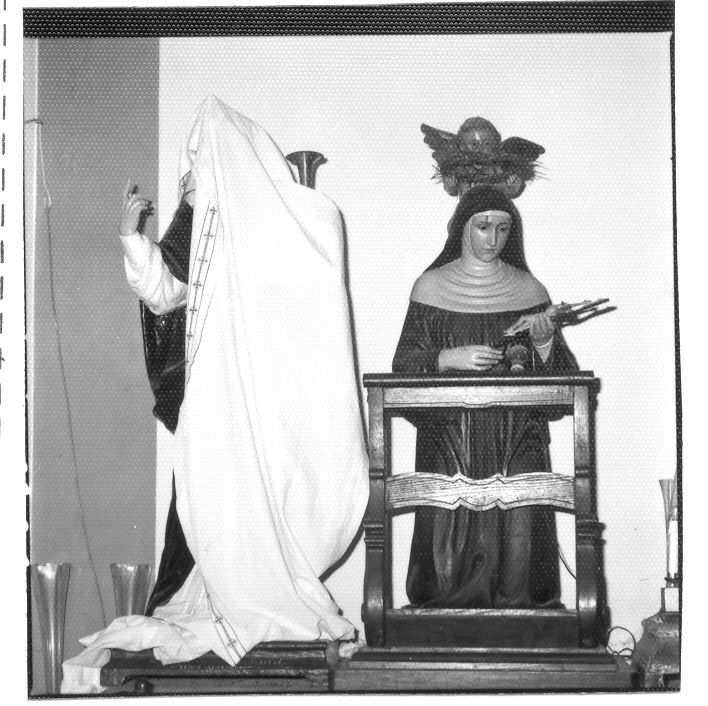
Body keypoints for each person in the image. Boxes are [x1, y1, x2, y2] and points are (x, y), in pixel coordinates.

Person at [108, 97, 369, 670]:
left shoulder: (291, 220)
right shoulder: (199, 223)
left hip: (268, 399)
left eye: (200, 159)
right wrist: (132, 239)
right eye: (189, 161)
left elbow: (313, 306)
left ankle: (269, 604)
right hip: (213, 397)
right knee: (203, 502)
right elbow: (165, 292)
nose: (189, 173)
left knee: (272, 501)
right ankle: (206, 601)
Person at [392, 184, 577, 609]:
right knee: (448, 535)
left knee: (520, 533)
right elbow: (403, 366)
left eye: (503, 229)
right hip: (450, 436)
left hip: (516, 437)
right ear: (462, 228)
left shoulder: (530, 291)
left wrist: (544, 344)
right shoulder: (430, 288)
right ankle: (444, 611)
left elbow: (560, 390)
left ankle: (523, 610)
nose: (493, 239)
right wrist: (445, 358)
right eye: (483, 227)